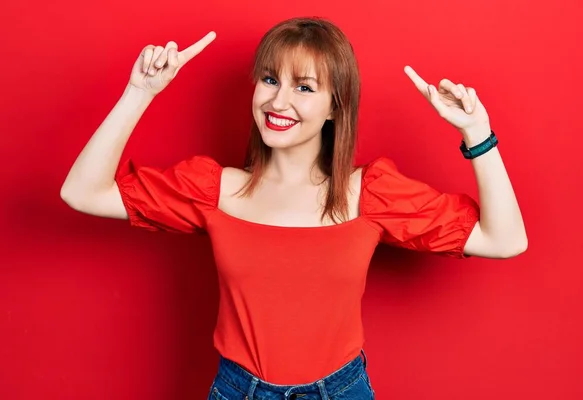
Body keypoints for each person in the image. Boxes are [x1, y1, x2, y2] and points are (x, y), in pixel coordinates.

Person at [60, 16, 527, 400]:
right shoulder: (216, 190)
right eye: (269, 79)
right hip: (237, 390)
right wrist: (139, 92)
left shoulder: (371, 194)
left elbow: (504, 239)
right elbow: (83, 192)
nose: (278, 100)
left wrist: (476, 133)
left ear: (335, 109)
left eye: (304, 87)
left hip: (340, 392)